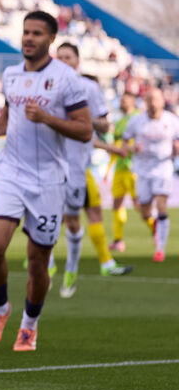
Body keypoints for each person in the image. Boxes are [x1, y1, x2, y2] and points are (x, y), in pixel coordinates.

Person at [0, 11, 92, 352]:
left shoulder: (66, 79)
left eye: (37, 33)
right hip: (10, 173)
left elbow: (85, 129)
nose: (29, 38)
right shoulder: (11, 74)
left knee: (37, 261)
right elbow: (9, 108)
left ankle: (29, 325)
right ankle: (1, 310)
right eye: (26, 32)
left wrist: (47, 118)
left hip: (48, 182)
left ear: (51, 39)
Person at [54, 42, 132, 298]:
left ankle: (78, 267)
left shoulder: (89, 88)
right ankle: (47, 262)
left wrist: (82, 121)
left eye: (69, 57)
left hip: (77, 167)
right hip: (49, 166)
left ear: (77, 61)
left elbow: (102, 126)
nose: (64, 60)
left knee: (81, 217)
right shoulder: (47, 87)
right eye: (60, 56)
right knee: (50, 219)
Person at [121, 88, 179, 262]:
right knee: (144, 210)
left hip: (163, 167)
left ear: (162, 101)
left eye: (156, 100)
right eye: (150, 100)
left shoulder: (172, 120)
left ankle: (160, 249)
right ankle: (154, 223)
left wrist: (176, 149)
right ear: (145, 102)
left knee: (162, 206)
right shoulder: (137, 121)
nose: (153, 104)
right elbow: (124, 142)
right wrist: (132, 148)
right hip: (142, 169)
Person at [106, 92, 139, 252]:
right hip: (119, 167)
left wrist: (128, 148)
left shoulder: (138, 118)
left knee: (140, 206)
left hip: (134, 167)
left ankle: (156, 231)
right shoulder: (119, 122)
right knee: (117, 203)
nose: (121, 102)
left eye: (124, 100)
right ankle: (118, 240)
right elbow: (115, 144)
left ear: (132, 101)